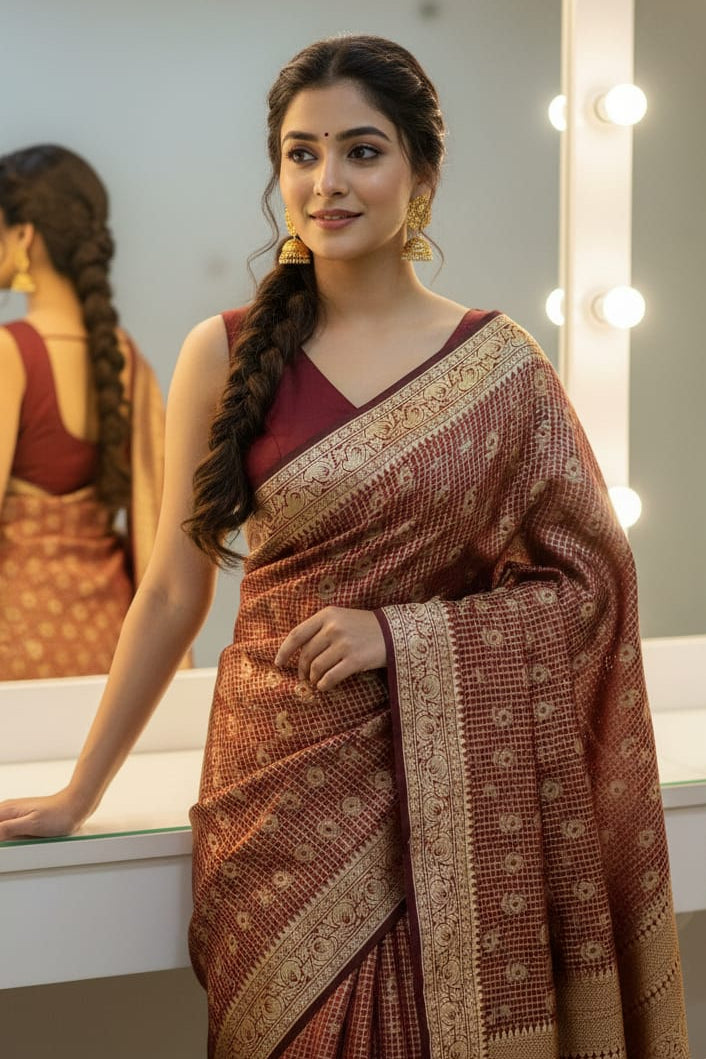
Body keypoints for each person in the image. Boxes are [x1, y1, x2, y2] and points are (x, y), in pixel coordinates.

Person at [0, 37, 689, 1059]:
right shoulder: (221, 351)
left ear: (419, 171)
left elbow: (591, 588)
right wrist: (78, 794)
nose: (327, 182)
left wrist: (399, 637)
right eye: (301, 153)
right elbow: (170, 594)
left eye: (361, 151)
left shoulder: (500, 369)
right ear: (278, 172)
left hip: (447, 812)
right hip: (272, 797)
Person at [0, 145, 165, 679]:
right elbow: (155, 525)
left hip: (17, 645)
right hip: (109, 646)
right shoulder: (127, 358)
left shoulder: (10, 353)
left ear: (24, 236)